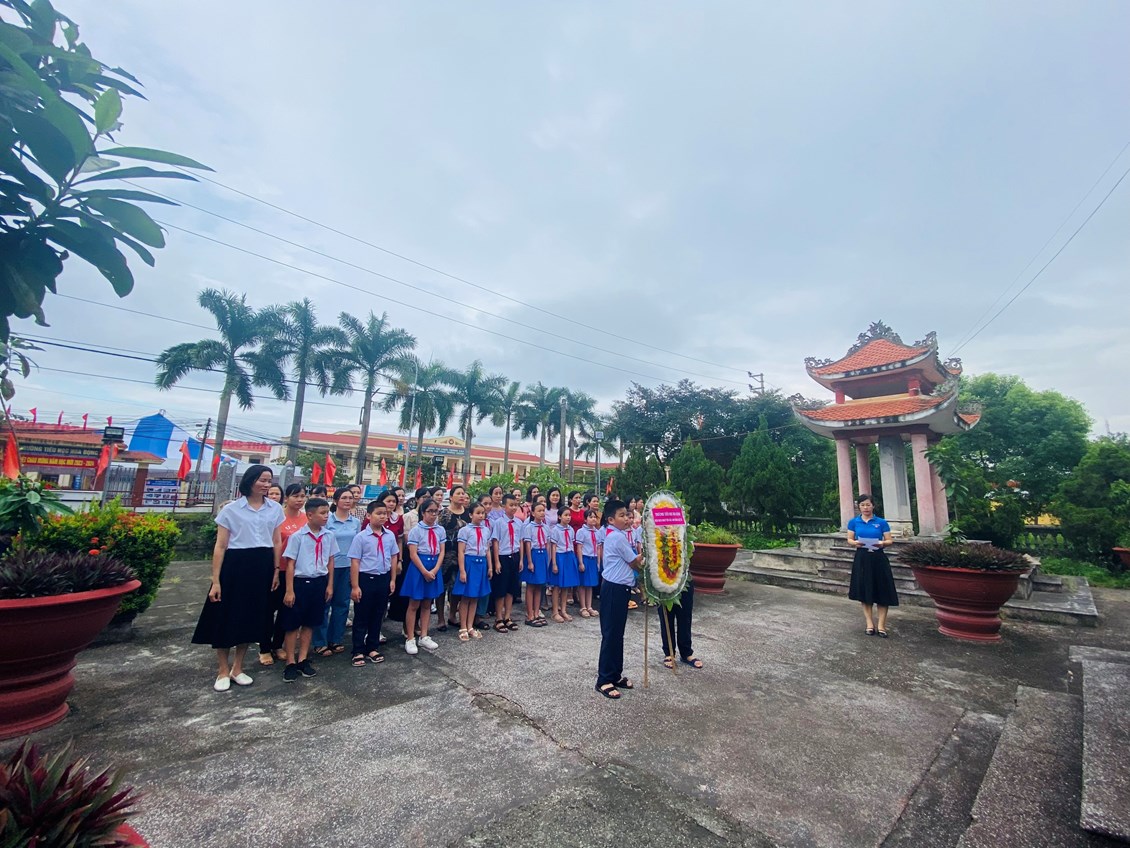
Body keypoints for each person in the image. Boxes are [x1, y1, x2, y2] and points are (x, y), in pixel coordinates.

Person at [191, 465, 284, 692]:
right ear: (250, 481)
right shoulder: (231, 510)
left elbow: (276, 541)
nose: (266, 484)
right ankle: (223, 670)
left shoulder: (274, 509)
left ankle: (238, 668)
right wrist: (216, 580)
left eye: (269, 480)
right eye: (262, 480)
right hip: (235, 566)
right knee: (225, 616)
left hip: (262, 566)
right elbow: (221, 546)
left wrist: (275, 570)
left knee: (250, 619)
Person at [279, 497, 334, 682]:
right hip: (300, 583)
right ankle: (290, 662)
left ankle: (303, 658)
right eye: (322, 513)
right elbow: (290, 564)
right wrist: (289, 590)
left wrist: (329, 585)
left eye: (327, 513)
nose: (326, 516)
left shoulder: (328, 535)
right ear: (310, 515)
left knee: (310, 623)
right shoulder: (297, 537)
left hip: (319, 582)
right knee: (292, 624)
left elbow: (330, 561)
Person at [595, 499, 643, 700]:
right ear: (610, 520)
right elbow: (634, 563)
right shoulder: (616, 537)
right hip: (614, 589)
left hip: (620, 589)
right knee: (611, 634)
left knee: (617, 634)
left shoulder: (618, 535)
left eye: (627, 515)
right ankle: (604, 679)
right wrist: (650, 553)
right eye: (622, 515)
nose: (627, 519)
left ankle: (615, 674)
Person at [260, 483, 307, 666]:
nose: (299, 500)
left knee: (286, 610)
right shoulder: (276, 517)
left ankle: (277, 645)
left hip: (296, 572)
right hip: (276, 570)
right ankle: (264, 648)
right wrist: (274, 568)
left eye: (302, 496)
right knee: (268, 610)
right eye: (295, 496)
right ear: (286, 498)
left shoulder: (306, 518)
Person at [348, 499, 399, 666]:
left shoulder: (389, 535)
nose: (383, 516)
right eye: (379, 513)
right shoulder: (361, 537)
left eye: (385, 514)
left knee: (378, 615)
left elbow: (393, 557)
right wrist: (355, 586)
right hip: (366, 578)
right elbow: (355, 561)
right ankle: (357, 650)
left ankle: (372, 647)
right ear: (369, 516)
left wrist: (392, 579)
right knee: (362, 615)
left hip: (383, 578)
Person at [313, 487, 360, 657]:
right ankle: (319, 641)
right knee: (324, 604)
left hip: (348, 567)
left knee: (342, 604)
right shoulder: (328, 520)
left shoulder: (355, 522)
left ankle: (336, 639)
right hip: (327, 567)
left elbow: (358, 545)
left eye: (350, 498)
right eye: (344, 498)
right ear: (335, 501)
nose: (348, 501)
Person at [847, 493, 898, 637]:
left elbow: (889, 540)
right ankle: (869, 624)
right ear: (859, 507)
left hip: (878, 558)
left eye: (868, 505)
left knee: (882, 591)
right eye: (862, 505)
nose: (865, 508)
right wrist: (855, 543)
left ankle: (881, 626)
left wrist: (882, 543)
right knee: (865, 591)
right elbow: (849, 539)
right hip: (862, 558)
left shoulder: (881, 522)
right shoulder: (854, 522)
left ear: (873, 506)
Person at [403, 497, 444, 655]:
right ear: (423, 512)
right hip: (419, 567)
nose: (433, 514)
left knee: (427, 603)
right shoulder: (416, 530)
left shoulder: (440, 530)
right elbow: (413, 554)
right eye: (430, 511)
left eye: (436, 511)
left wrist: (435, 569)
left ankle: (424, 635)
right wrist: (425, 571)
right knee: (414, 604)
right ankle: (410, 638)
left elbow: (442, 551)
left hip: (434, 565)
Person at [454, 503, 492, 642]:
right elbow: (461, 551)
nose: (481, 515)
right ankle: (463, 627)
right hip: (469, 563)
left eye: (483, 513)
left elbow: (487, 549)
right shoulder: (465, 530)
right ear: (470, 515)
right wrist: (462, 570)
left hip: (481, 563)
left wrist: (490, 567)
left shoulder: (486, 530)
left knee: (475, 597)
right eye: (478, 513)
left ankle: (470, 626)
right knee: (466, 597)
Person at [437, 484, 470, 631]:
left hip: (462, 555)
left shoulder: (467, 513)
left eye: (463, 493)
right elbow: (439, 533)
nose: (462, 496)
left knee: (457, 586)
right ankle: (440, 618)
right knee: (442, 587)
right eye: (458, 493)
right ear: (451, 497)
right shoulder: (444, 513)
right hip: (446, 555)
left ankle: (452, 615)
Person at [490, 494, 523, 632]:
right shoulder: (498, 523)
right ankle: (498, 618)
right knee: (501, 589)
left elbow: (520, 541)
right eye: (511, 505)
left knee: (511, 589)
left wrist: (521, 559)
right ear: (504, 506)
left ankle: (507, 616)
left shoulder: (519, 523)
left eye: (516, 505)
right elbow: (495, 542)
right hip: (502, 557)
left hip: (514, 556)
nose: (514, 507)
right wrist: (497, 561)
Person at [658, 580, 703, 670]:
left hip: (684, 579)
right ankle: (669, 652)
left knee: (685, 617)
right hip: (663, 580)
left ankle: (686, 652)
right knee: (666, 617)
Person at [549, 507, 579, 622]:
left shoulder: (571, 529)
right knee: (557, 586)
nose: (568, 517)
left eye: (569, 515)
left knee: (566, 585)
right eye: (565, 515)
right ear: (559, 516)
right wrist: (554, 563)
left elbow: (571, 544)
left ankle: (563, 610)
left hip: (569, 556)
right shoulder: (556, 530)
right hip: (559, 557)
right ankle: (555, 612)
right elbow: (553, 547)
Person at [522, 501, 550, 627]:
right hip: (533, 555)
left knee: (540, 585)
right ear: (533, 513)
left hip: (542, 555)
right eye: (539, 511)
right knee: (531, 586)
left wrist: (547, 559)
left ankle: (536, 612)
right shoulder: (529, 527)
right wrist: (529, 561)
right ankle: (529, 614)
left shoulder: (546, 527)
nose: (542, 513)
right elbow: (528, 545)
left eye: (543, 511)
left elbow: (547, 544)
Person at [576, 507, 602, 618]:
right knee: (583, 584)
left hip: (593, 559)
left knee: (590, 584)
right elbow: (579, 547)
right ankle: (583, 607)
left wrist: (598, 562)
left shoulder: (597, 532)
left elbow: (598, 548)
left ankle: (589, 606)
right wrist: (581, 562)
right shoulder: (581, 532)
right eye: (590, 517)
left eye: (594, 517)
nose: (593, 519)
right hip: (585, 558)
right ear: (585, 519)